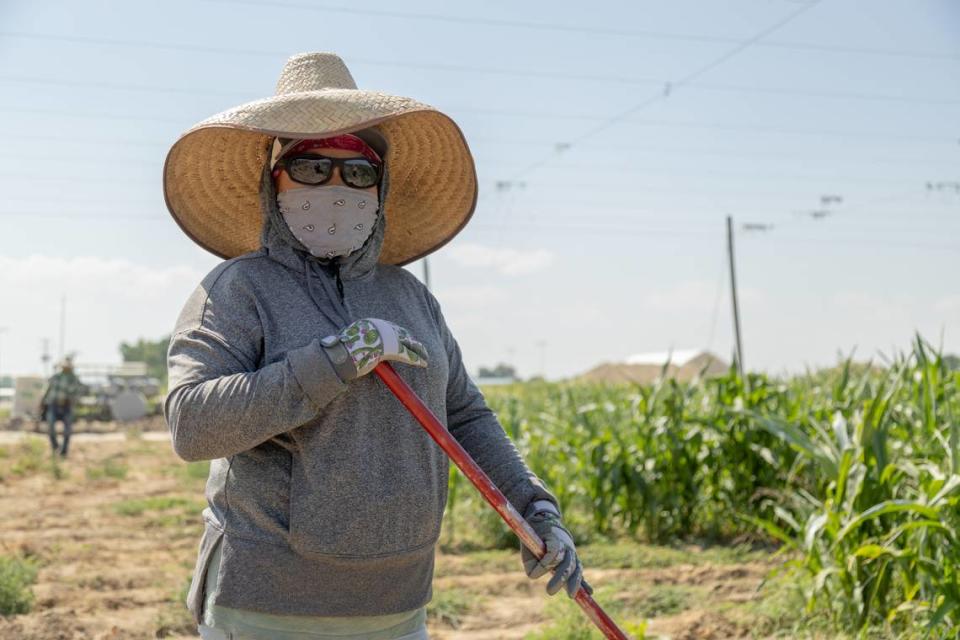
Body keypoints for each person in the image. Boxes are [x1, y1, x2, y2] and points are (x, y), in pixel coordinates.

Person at [163, 52, 588, 640]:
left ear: (380, 188)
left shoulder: (410, 298)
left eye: (357, 171)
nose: (336, 187)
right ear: (275, 177)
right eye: (312, 167)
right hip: (269, 607)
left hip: (398, 607)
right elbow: (192, 425)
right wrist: (334, 361)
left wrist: (535, 510)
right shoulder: (240, 289)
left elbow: (464, 415)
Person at [39, 357, 84, 458]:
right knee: (50, 428)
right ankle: (55, 447)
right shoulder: (55, 377)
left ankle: (64, 451)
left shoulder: (74, 379)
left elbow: (78, 393)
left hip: (66, 406)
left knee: (67, 431)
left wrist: (73, 401)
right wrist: (42, 402)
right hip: (53, 405)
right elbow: (47, 389)